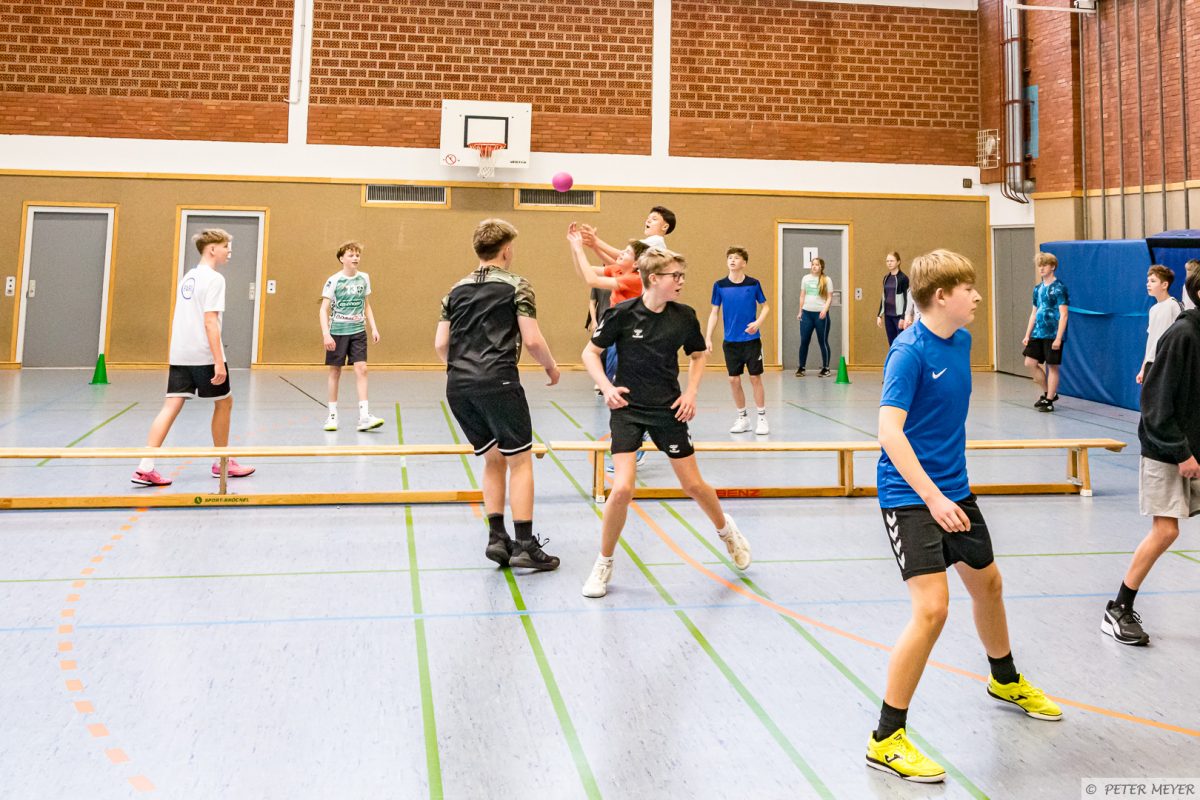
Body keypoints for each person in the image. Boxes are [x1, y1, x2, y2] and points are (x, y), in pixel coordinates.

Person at [867, 249, 1061, 783]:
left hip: (955, 491)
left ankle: (1005, 679)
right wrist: (933, 498)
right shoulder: (908, 353)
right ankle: (886, 738)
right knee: (932, 610)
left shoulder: (963, 341)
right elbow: (889, 434)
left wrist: (949, 492)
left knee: (988, 585)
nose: (976, 296)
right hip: (910, 496)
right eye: (967, 289)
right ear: (940, 296)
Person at [578, 245, 752, 598]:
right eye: (676, 276)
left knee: (694, 485)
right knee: (622, 488)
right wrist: (607, 387)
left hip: (668, 408)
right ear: (654, 279)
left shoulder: (684, 316)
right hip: (627, 407)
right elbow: (590, 353)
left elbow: (698, 355)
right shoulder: (622, 314)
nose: (681, 281)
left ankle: (726, 530)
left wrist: (691, 393)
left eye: (682, 276)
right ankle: (604, 562)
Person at [435, 219, 561, 571]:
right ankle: (525, 545)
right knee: (520, 461)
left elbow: (441, 344)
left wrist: (463, 369)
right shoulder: (517, 286)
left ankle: (497, 537)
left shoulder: (454, 290)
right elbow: (532, 340)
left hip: (458, 386)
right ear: (506, 250)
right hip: (498, 381)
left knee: (493, 459)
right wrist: (551, 367)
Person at [1102, 262, 1200, 646]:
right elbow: (1155, 405)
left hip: (1192, 447)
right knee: (1166, 530)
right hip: (1166, 448)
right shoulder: (1183, 336)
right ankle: (1118, 608)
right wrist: (1181, 453)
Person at [131, 229, 255, 486]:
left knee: (171, 405)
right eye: (226, 246)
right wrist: (218, 361)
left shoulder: (189, 277)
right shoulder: (215, 279)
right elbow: (210, 322)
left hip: (180, 353)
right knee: (225, 403)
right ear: (212, 249)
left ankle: (145, 466)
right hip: (203, 354)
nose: (229, 251)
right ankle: (222, 462)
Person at [319, 241, 384, 432]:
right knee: (335, 372)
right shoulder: (334, 280)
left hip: (358, 331)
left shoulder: (364, 278)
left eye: (357, 255)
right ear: (342, 259)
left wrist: (374, 327)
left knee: (362, 369)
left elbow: (366, 304)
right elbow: (323, 310)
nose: (355, 258)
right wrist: (326, 334)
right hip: (337, 332)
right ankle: (332, 416)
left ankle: (364, 416)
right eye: (351, 255)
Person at [705, 246, 770, 434]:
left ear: (744, 263)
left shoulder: (753, 284)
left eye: (736, 258)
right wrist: (708, 337)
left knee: (755, 377)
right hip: (731, 342)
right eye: (730, 258)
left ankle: (762, 418)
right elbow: (714, 312)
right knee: (733, 380)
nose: (732, 260)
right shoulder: (719, 285)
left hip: (751, 340)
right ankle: (743, 418)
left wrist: (758, 322)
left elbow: (765, 307)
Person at [1021, 252, 1069, 412]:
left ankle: (1049, 401)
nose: (1041, 268)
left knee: (1052, 366)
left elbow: (1064, 314)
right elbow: (1034, 313)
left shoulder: (1059, 288)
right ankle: (1049, 393)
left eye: (1045, 265)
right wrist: (1027, 334)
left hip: (1052, 333)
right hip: (1038, 332)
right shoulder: (1037, 289)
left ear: (1052, 267)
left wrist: (1058, 338)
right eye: (1039, 265)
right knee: (1030, 362)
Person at [578, 205, 676, 262]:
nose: (648, 221)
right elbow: (617, 263)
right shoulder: (651, 242)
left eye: (654, 219)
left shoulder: (656, 242)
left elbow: (620, 255)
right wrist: (595, 246)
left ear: (665, 227)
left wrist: (596, 241)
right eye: (648, 218)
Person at [1136, 265, 1182, 385]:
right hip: (1151, 364)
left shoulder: (1173, 305)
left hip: (1166, 364)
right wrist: (1143, 369)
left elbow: (1179, 338)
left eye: (1153, 281)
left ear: (1164, 285)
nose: (1148, 284)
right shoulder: (1153, 309)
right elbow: (1151, 341)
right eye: (1148, 281)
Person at [795, 256, 833, 378]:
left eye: (817, 264)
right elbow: (802, 296)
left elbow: (829, 297)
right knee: (804, 341)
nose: (814, 266)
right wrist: (800, 311)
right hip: (807, 314)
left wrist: (824, 310)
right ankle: (801, 367)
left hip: (820, 315)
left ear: (821, 267)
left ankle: (826, 368)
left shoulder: (827, 280)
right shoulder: (805, 278)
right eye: (813, 264)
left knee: (823, 341)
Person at [876, 251, 909, 346]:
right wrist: (879, 315)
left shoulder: (903, 278)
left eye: (892, 261)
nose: (889, 263)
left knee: (901, 343)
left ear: (898, 262)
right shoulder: (886, 278)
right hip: (888, 316)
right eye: (887, 261)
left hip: (899, 316)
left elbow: (907, 299)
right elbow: (884, 297)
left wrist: (903, 317)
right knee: (891, 342)